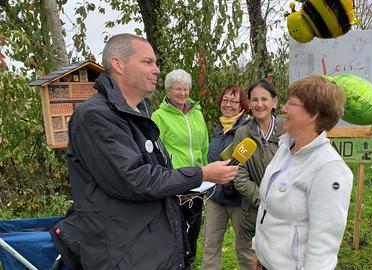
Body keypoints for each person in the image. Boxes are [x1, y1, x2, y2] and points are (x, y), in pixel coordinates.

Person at [50, 33, 238, 270]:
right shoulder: (96, 117)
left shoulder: (140, 113)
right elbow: (135, 179)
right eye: (147, 62)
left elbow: (158, 171)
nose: (157, 70)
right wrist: (201, 174)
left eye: (156, 63)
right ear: (118, 64)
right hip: (124, 254)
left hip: (152, 248)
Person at [252, 75, 353, 270]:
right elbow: (266, 206)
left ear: (313, 114)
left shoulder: (329, 169)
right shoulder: (285, 147)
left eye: (291, 103)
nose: (283, 108)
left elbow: (324, 241)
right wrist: (259, 249)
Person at [150, 69, 208, 268]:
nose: (182, 94)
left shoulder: (197, 113)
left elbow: (204, 145)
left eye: (185, 89)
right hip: (175, 181)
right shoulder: (159, 116)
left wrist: (205, 170)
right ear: (168, 90)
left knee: (194, 229)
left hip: (197, 182)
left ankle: (189, 262)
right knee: (177, 230)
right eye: (177, 90)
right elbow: (156, 151)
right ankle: (177, 263)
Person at [232, 79, 285, 269]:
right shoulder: (243, 133)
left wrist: (279, 200)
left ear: (275, 102)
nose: (259, 104)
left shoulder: (287, 129)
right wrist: (263, 199)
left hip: (284, 215)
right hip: (253, 215)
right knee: (251, 263)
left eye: (264, 99)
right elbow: (239, 174)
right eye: (254, 99)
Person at [202, 85, 251, 270]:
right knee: (210, 245)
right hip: (216, 196)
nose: (228, 105)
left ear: (242, 105)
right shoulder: (219, 127)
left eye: (234, 101)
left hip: (239, 199)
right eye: (225, 100)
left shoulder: (247, 128)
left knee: (245, 249)